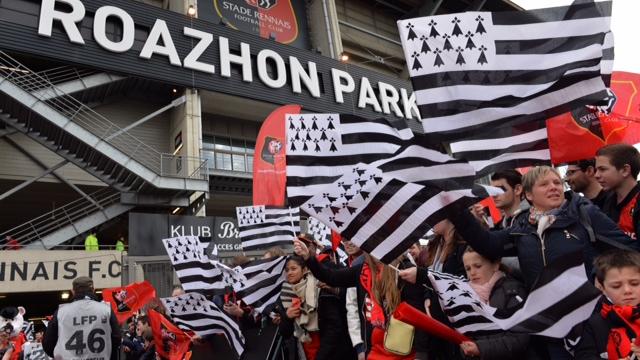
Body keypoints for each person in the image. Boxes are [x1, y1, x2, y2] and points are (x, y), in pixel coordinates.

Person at [433, 166, 635, 359]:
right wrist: (455, 207)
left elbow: (628, 248)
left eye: (557, 182)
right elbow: (487, 245)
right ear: (529, 195)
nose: (554, 187)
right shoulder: (522, 227)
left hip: (589, 321)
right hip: (549, 328)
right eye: (544, 184)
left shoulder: (584, 214)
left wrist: (603, 275)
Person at [293, 237, 424, 359]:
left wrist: (421, 354)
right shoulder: (362, 270)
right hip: (374, 351)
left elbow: (419, 316)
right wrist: (308, 257)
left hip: (404, 351)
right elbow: (331, 276)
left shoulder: (405, 270)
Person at [457, 247, 531, 360]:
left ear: (495, 265)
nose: (472, 272)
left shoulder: (512, 291)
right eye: (467, 268)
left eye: (478, 266)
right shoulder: (465, 295)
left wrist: (480, 349)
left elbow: (520, 338)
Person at [574, 250, 640, 359]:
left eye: (634, 283)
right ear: (602, 288)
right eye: (616, 286)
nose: (627, 290)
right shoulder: (593, 325)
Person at [43, 276, 121, 360]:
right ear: (93, 290)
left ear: (73, 291)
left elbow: (48, 344)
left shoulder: (61, 312)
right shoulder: (106, 309)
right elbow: (116, 338)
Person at [595, 144, 640, 240]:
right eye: (596, 170)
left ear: (625, 170)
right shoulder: (607, 200)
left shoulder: (637, 202)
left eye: (602, 169)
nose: (596, 175)